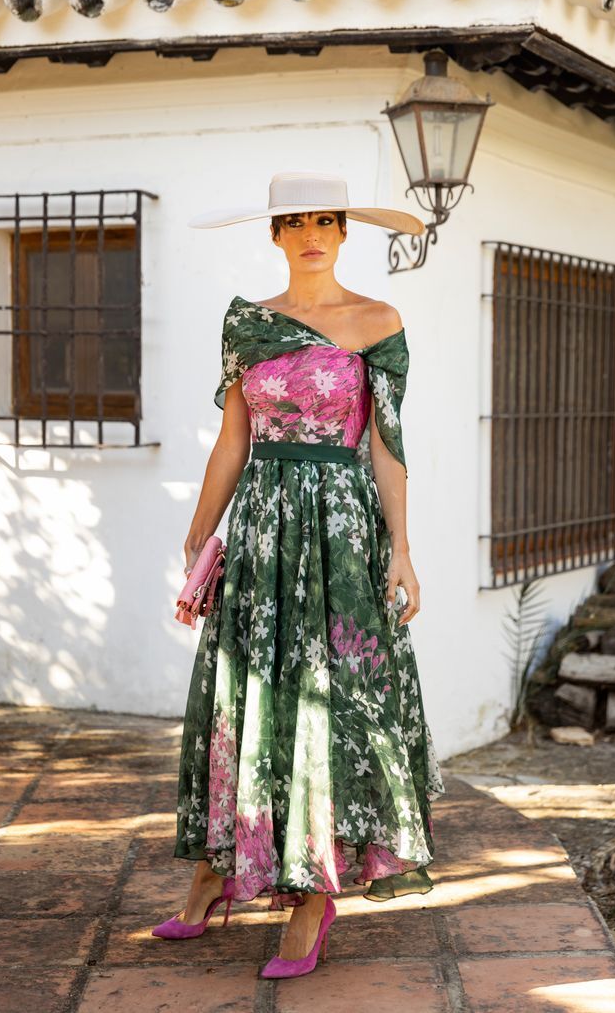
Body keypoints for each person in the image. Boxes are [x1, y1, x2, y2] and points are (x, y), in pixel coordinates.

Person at [151, 171, 445, 979]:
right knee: (246, 692)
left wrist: (403, 547)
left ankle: (313, 897)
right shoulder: (248, 324)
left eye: (326, 220)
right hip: (262, 528)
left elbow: (386, 445)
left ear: (344, 231)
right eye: (295, 221)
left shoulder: (378, 321)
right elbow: (230, 439)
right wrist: (202, 526)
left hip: (342, 531)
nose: (311, 233)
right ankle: (216, 869)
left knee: (328, 700)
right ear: (275, 234)